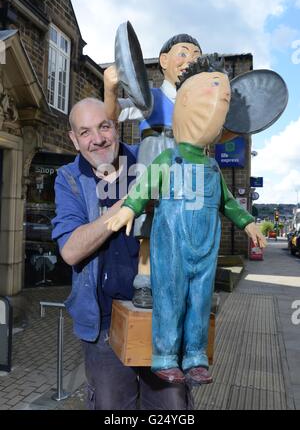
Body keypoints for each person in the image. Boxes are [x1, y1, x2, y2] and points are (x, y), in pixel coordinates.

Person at [106, 55, 267, 386]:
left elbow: (228, 201)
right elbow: (143, 188)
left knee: (200, 300)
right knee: (168, 295)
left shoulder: (213, 168)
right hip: (171, 245)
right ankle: (164, 356)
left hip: (206, 248)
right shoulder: (167, 159)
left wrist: (249, 222)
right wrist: (128, 209)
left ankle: (195, 357)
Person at [52, 97, 193, 410]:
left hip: (162, 318)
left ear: (116, 125)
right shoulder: (69, 180)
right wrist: (129, 203)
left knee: (171, 405)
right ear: (74, 140)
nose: (98, 139)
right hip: (102, 324)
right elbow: (71, 251)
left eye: (104, 126)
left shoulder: (150, 162)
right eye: (85, 132)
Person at [104, 34, 202, 308]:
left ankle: (179, 283)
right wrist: (110, 90)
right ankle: (144, 283)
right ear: (163, 60)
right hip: (155, 158)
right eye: (183, 53)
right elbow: (113, 115)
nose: (189, 61)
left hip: (187, 167)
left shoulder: (199, 104)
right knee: (148, 222)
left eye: (195, 56)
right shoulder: (150, 97)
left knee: (185, 224)